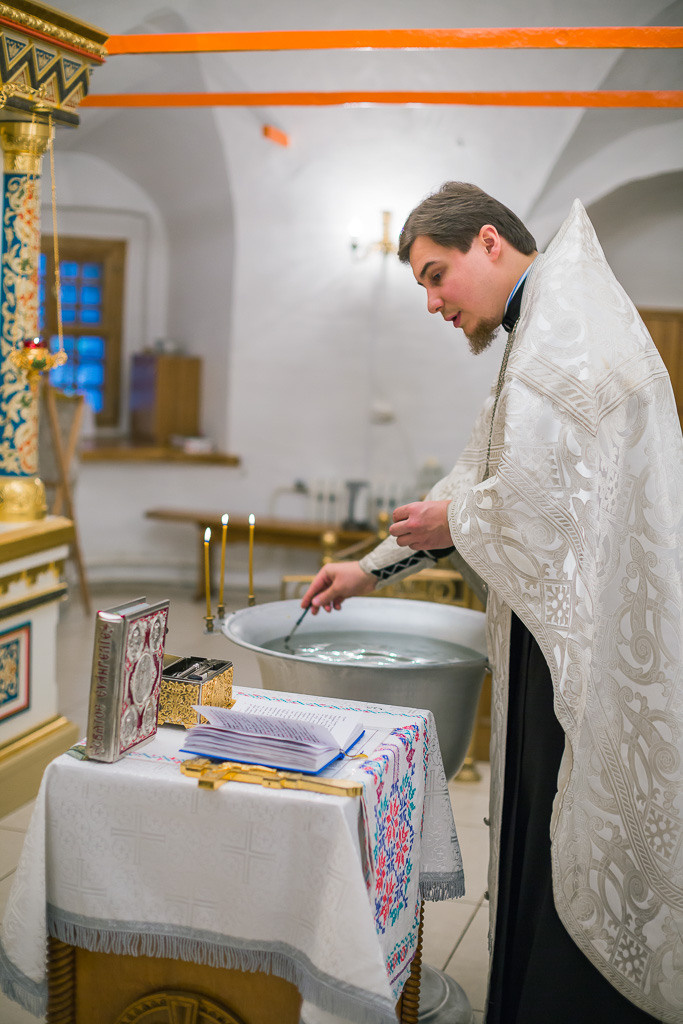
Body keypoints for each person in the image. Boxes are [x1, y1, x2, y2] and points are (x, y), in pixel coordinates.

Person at [302, 183, 682, 1023]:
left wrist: (456, 518)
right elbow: (482, 482)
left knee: (570, 829)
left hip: (581, 650)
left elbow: (541, 506)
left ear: (486, 241)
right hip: (557, 629)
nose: (434, 303)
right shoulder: (549, 318)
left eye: (437, 277)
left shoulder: (561, 336)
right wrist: (371, 567)